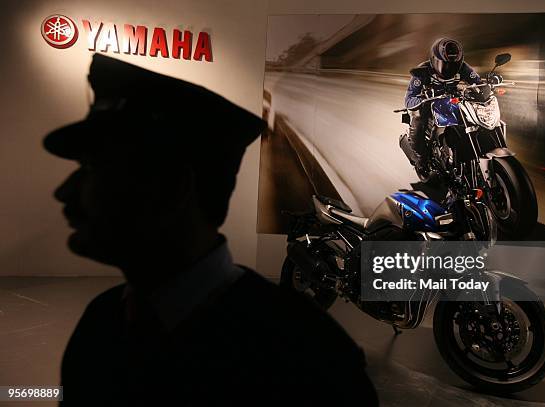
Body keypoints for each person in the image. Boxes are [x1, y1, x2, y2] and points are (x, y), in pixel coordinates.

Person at [45, 54, 378, 406]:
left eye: (93, 167)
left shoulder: (311, 356)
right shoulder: (102, 322)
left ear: (171, 189)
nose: (64, 192)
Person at [400, 38, 482, 180]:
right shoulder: (421, 71)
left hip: (453, 102)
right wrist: (422, 100)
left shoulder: (463, 67)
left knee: (472, 118)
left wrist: (486, 85)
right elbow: (409, 98)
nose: (449, 69)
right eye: (445, 64)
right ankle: (421, 160)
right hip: (429, 105)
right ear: (434, 59)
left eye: (454, 65)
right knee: (418, 118)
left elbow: (477, 82)